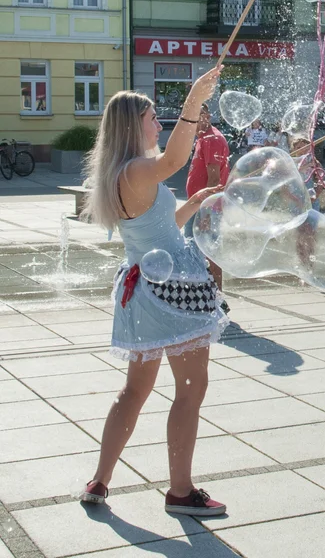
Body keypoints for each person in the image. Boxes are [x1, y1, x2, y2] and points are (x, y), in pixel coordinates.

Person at [79, 68, 228, 516]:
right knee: (189, 389)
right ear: (132, 126)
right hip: (172, 293)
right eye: (151, 118)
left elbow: (160, 229)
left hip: (141, 290)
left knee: (134, 392)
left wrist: (194, 203)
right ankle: (180, 492)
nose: (158, 124)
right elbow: (172, 163)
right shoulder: (140, 169)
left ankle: (99, 481)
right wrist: (193, 102)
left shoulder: (121, 173)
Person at [185, 103, 230, 290]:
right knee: (196, 252)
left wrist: (206, 213)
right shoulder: (203, 138)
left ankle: (216, 299)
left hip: (203, 208)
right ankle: (204, 295)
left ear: (207, 116)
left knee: (209, 252)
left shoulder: (212, 139)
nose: (193, 120)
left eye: (198, 114)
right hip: (196, 206)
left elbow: (214, 179)